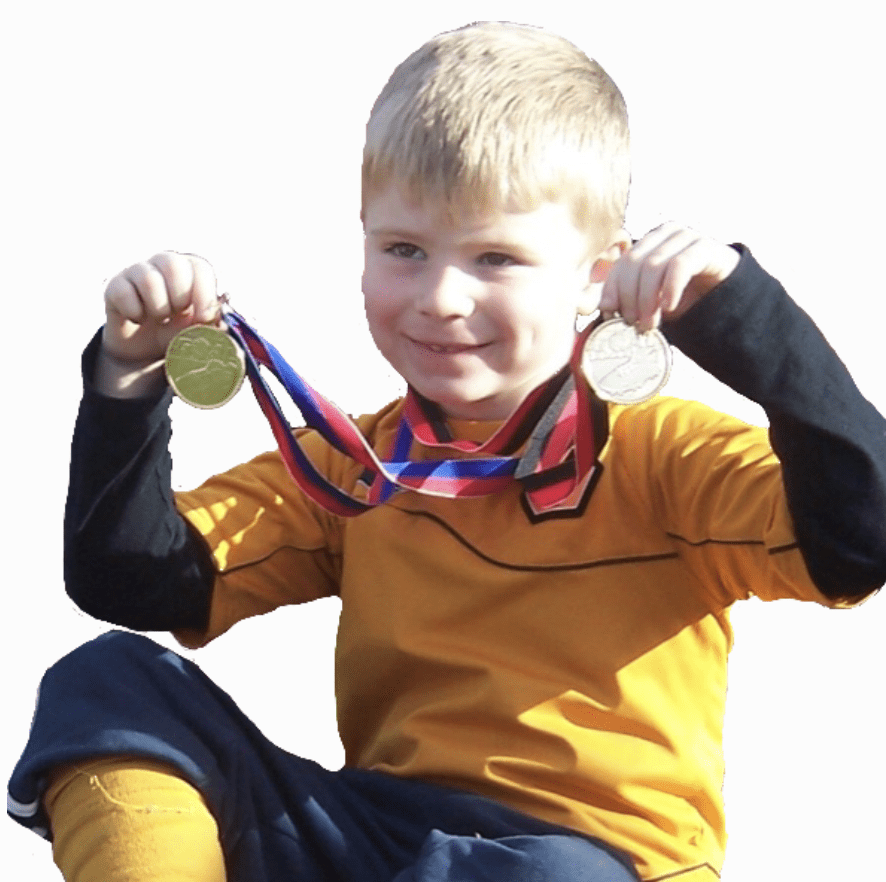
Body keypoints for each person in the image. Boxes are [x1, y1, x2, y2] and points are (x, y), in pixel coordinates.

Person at [7, 20, 886, 882]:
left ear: (597, 271)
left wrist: (745, 320)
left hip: (591, 861)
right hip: (378, 836)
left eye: (496, 257)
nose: (440, 298)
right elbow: (131, 580)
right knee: (110, 683)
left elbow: (860, 544)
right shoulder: (354, 466)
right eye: (403, 249)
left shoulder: (668, 458)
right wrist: (130, 380)